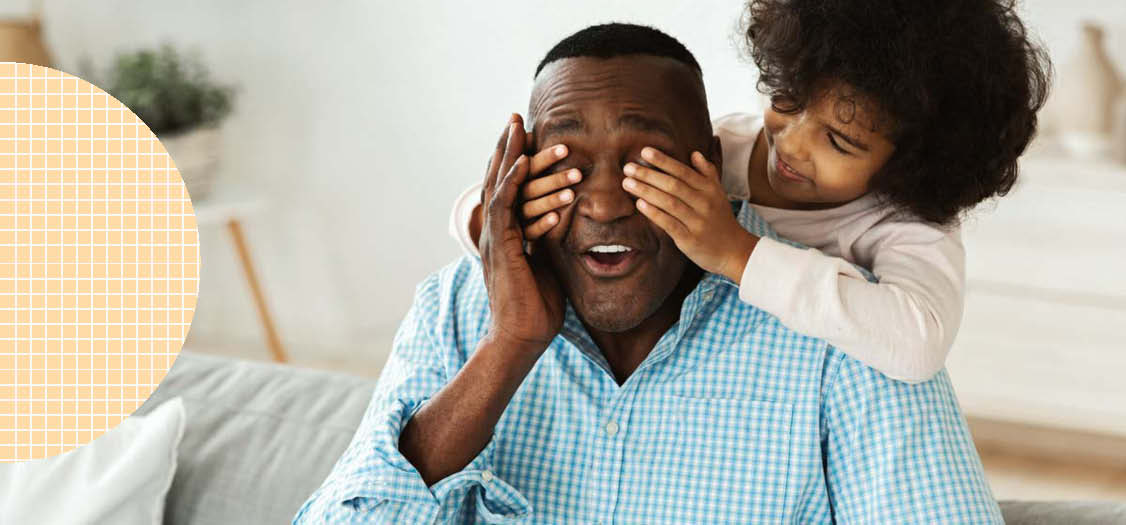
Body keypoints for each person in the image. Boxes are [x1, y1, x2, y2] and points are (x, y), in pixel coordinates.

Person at [296, 23, 1002, 524]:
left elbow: (915, 339)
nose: (602, 202)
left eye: (647, 163)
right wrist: (508, 331)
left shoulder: (855, 327)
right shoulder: (455, 308)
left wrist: (736, 254)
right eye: (566, 162)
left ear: (706, 168)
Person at [448, 0, 1051, 383]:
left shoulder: (907, 224)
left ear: (911, 163)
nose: (791, 144)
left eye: (839, 142)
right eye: (787, 102)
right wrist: (502, 217)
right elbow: (469, 215)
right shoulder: (722, 150)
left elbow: (918, 345)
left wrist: (736, 252)